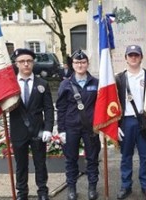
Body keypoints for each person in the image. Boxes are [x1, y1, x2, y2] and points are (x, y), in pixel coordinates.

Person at [9, 48, 55, 200]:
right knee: (21, 165)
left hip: (38, 130)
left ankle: (42, 191)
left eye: (29, 61)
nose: (26, 64)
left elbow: (48, 108)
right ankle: (22, 193)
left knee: (40, 163)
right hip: (18, 130)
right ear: (16, 64)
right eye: (22, 61)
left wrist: (48, 128)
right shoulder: (10, 85)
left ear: (33, 63)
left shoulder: (42, 83)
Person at [56, 50, 101, 200]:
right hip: (71, 127)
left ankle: (92, 187)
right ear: (72, 64)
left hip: (90, 128)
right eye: (77, 62)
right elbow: (61, 108)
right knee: (71, 159)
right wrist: (61, 130)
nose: (80, 65)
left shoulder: (96, 83)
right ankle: (71, 188)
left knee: (93, 159)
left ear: (87, 64)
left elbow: (102, 106)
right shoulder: (65, 84)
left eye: (83, 62)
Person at [115, 44, 146, 199]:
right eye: (130, 55)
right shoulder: (119, 79)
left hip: (145, 121)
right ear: (126, 58)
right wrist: (116, 125)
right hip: (126, 122)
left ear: (141, 57)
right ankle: (126, 186)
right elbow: (114, 105)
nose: (133, 58)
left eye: (136, 55)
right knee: (126, 156)